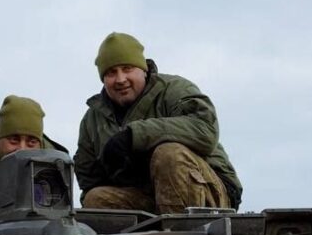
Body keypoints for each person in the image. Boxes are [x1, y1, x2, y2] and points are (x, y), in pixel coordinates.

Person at [73, 32, 242, 213]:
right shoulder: (93, 119)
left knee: (169, 154)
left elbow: (205, 130)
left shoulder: (174, 90)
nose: (121, 79)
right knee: (95, 199)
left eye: (127, 68)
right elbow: (89, 178)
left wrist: (134, 136)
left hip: (209, 192)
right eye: (111, 73)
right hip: (148, 197)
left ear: (143, 69)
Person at [0, 95, 68, 213]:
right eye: (14, 140)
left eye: (31, 142)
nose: (22, 149)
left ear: (40, 143)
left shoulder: (57, 168)